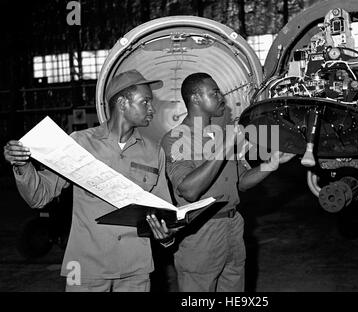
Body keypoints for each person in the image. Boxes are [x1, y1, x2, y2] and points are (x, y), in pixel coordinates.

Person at [3, 69, 173, 292]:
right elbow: (39, 196)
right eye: (146, 102)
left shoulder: (154, 151)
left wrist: (166, 236)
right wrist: (22, 164)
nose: (152, 108)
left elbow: (164, 212)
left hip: (135, 269)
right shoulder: (79, 144)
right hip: (85, 268)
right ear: (122, 103)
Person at [158, 72, 295, 292]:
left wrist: (273, 162)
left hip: (233, 226)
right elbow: (189, 191)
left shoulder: (221, 135)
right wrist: (225, 146)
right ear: (195, 98)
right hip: (201, 232)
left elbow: (241, 182)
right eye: (214, 92)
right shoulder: (176, 138)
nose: (222, 97)